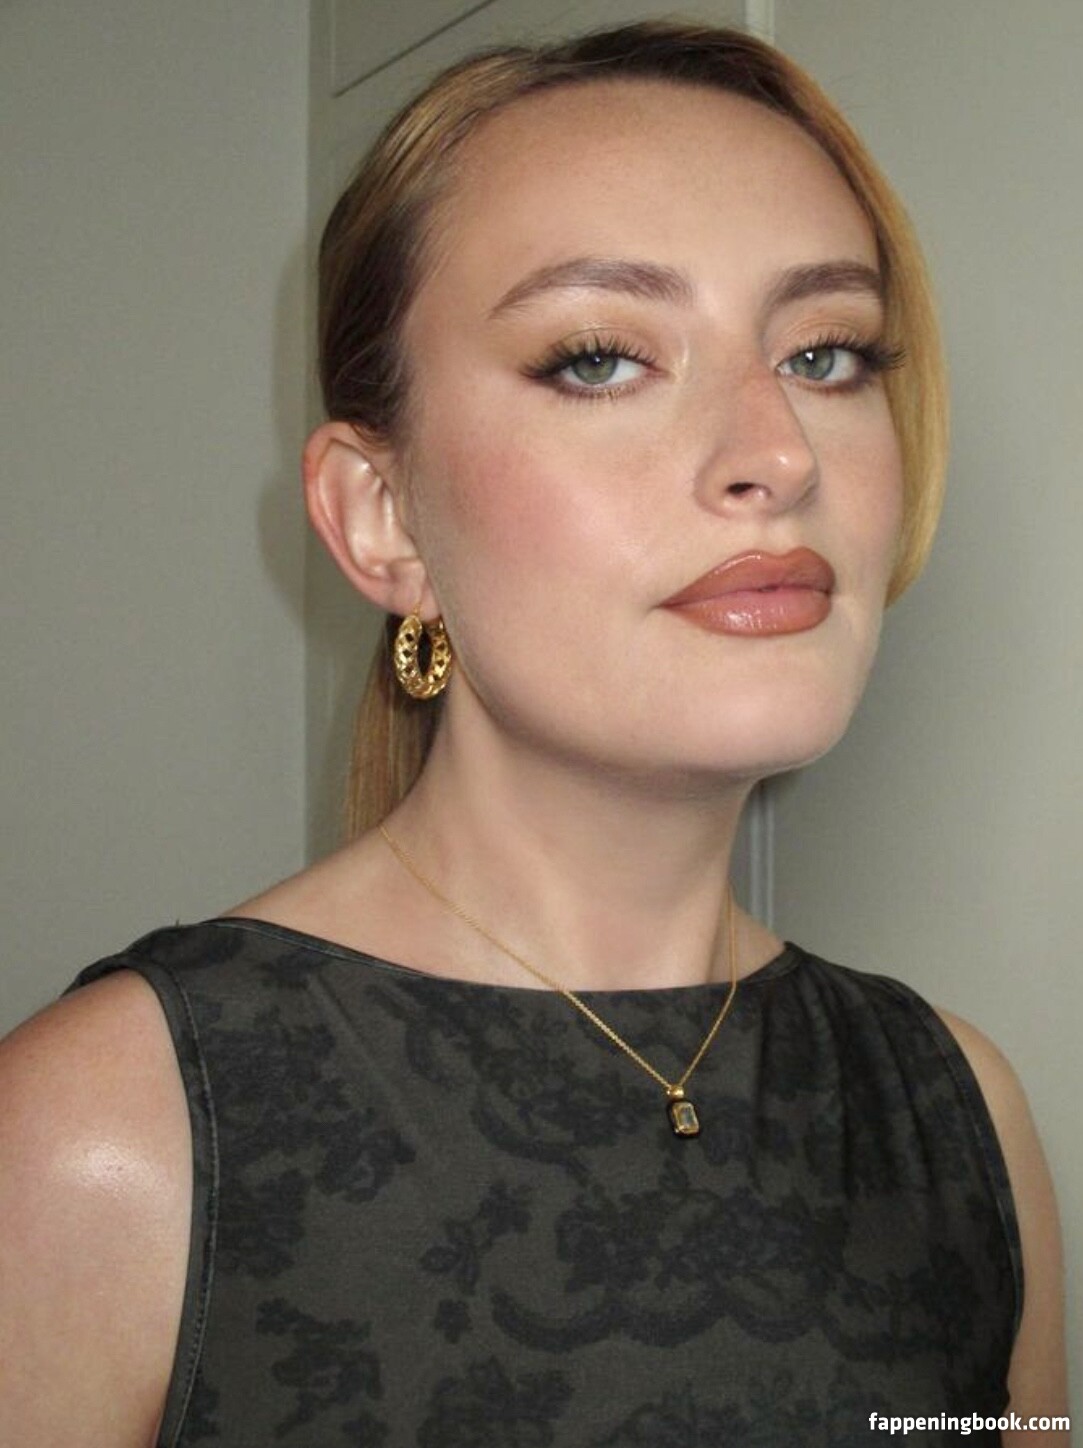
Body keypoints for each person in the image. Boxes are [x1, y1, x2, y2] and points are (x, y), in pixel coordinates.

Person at [0, 20, 1068, 1446]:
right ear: (382, 518)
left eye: (826, 352)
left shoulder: (960, 1114)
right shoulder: (104, 1141)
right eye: (600, 360)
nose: (779, 452)